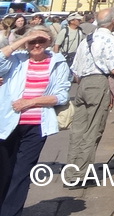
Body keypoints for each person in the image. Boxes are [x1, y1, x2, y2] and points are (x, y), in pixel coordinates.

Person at [0, 26, 71, 215]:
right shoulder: (16, 59)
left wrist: (30, 102)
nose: (37, 45)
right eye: (33, 41)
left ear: (49, 42)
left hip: (36, 126)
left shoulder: (57, 62)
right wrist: (23, 40)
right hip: (7, 124)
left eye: (41, 41)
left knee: (22, 173)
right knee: (4, 172)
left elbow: (62, 96)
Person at [66, 7, 114, 184]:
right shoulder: (111, 40)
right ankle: (80, 175)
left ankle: (71, 172)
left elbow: (75, 70)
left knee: (78, 130)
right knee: (93, 129)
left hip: (83, 84)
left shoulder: (87, 39)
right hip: (99, 82)